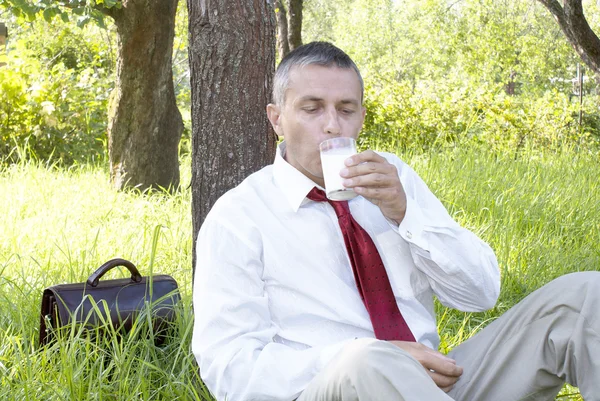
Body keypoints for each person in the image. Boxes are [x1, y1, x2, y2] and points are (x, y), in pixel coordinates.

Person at [191, 41, 600, 401]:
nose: (332, 124)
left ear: (361, 117)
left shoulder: (394, 180)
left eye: (345, 109)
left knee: (585, 297)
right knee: (368, 363)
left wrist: (406, 213)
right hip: (328, 387)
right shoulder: (239, 216)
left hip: (437, 383)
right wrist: (365, 356)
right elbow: (230, 369)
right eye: (312, 108)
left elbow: (481, 294)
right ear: (277, 118)